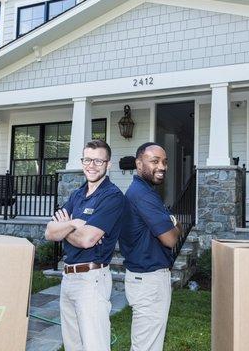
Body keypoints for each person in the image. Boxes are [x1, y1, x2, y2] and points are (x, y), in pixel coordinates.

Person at [44, 139, 126, 351]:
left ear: (108, 165)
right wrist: (72, 224)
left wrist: (64, 227)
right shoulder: (77, 194)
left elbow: (87, 240)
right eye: (87, 159)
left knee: (94, 346)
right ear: (82, 162)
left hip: (92, 280)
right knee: (73, 345)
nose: (92, 165)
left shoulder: (112, 197)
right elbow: (49, 232)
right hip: (68, 277)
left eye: (98, 161)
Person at [119, 142, 182, 351]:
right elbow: (171, 239)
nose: (162, 166)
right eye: (154, 161)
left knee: (146, 344)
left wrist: (171, 222)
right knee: (146, 346)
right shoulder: (144, 195)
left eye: (164, 162)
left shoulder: (142, 192)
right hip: (149, 281)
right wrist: (175, 223)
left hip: (143, 278)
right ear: (139, 164)